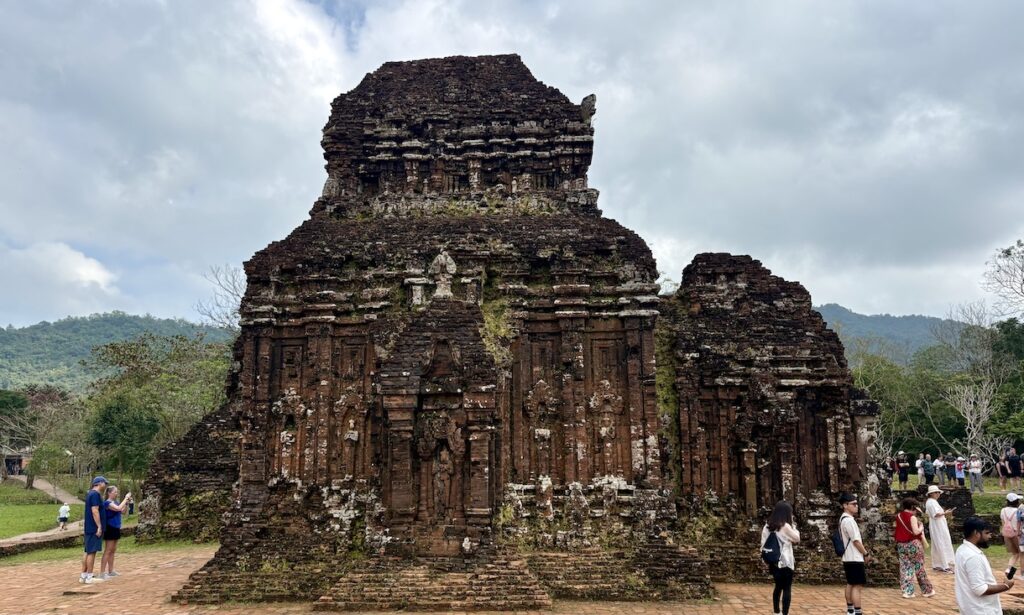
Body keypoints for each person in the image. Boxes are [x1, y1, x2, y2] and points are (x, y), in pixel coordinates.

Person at [955, 516, 1015, 614]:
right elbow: (979, 589)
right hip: (981, 610)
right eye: (986, 533)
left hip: (972, 608)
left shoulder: (962, 549)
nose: (989, 537)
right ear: (976, 533)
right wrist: (1006, 586)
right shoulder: (973, 556)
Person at [760, 500, 801, 615]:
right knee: (787, 588)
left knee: (778, 587)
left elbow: (763, 544)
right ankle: (785, 613)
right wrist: (794, 526)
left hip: (773, 561)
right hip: (786, 561)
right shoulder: (786, 526)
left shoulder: (767, 526)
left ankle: (776, 611)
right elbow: (797, 538)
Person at [894, 496, 935, 598]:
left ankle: (907, 591)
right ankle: (927, 590)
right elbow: (916, 531)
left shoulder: (899, 515)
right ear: (913, 507)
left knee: (905, 568)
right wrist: (921, 526)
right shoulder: (912, 517)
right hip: (913, 544)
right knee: (919, 567)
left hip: (901, 545)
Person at [839, 493, 870, 615]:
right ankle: (857, 611)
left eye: (856, 504)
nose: (856, 506)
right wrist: (865, 553)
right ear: (845, 505)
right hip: (854, 557)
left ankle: (850, 609)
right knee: (857, 585)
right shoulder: (849, 521)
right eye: (853, 504)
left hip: (848, 557)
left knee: (851, 583)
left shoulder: (843, 519)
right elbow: (856, 541)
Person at [79, 476, 107, 584]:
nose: (105, 485)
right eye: (105, 483)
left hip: (89, 527)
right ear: (99, 483)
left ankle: (83, 575)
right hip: (94, 528)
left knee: (87, 550)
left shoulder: (90, 494)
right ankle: (89, 577)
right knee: (92, 552)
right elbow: (95, 510)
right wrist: (99, 526)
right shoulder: (95, 495)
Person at [100, 486, 131, 579]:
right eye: (115, 492)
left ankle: (111, 570)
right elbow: (117, 508)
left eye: (117, 492)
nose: (116, 493)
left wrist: (127, 503)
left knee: (113, 550)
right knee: (108, 550)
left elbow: (123, 512)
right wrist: (125, 498)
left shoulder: (117, 502)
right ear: (109, 493)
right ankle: (102, 572)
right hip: (110, 528)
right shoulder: (107, 503)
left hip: (116, 527)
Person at [925, 485, 956, 572]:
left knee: (939, 542)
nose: (938, 494)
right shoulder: (931, 502)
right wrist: (945, 513)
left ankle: (938, 563)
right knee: (941, 542)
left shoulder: (931, 502)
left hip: (938, 524)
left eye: (938, 492)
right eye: (936, 492)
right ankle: (944, 564)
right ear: (931, 494)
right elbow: (936, 514)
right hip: (937, 525)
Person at [1001, 493, 1021, 579]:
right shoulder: (1018, 511)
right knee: (1022, 554)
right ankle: (1021, 573)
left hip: (1007, 534)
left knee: (1015, 554)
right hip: (1017, 534)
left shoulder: (1003, 510)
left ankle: (1009, 570)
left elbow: (1003, 522)